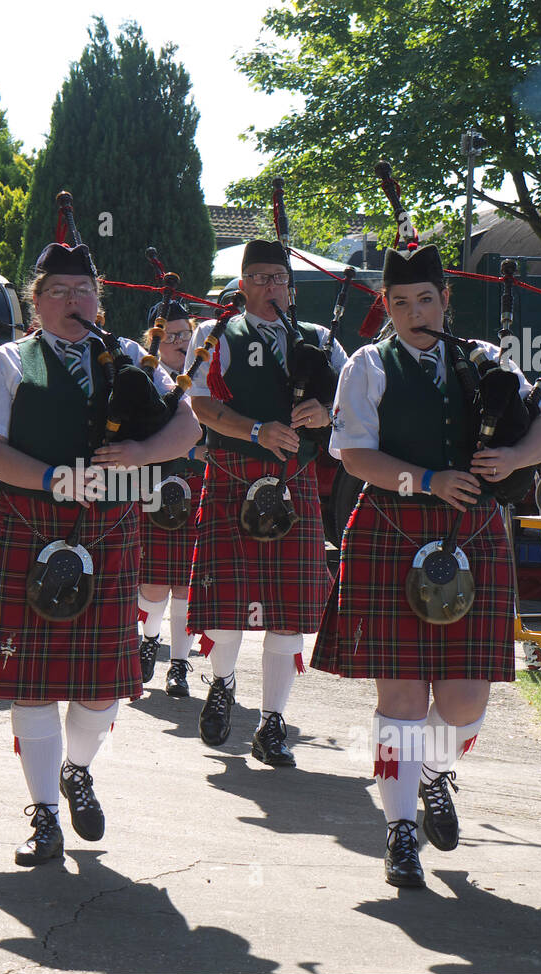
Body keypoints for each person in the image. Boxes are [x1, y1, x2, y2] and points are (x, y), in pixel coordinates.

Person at [0, 241, 199, 865]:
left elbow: (189, 425)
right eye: (56, 291)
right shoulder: (10, 360)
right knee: (31, 684)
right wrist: (55, 477)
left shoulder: (132, 357)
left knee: (98, 686)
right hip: (29, 524)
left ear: (99, 300)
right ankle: (44, 815)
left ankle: (78, 769)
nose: (71, 302)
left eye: (83, 291)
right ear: (35, 302)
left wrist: (145, 454)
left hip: (109, 529)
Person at [314, 243, 541, 889]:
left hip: (470, 531)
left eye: (425, 300)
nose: (414, 312)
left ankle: (433, 772)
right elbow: (354, 455)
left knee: (462, 701)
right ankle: (398, 832)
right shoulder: (367, 365)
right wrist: (425, 477)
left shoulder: (482, 357)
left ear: (445, 299)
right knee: (400, 694)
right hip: (392, 526)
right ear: (386, 306)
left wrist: (516, 461)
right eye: (400, 303)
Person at [183, 239, 343, 767]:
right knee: (228, 608)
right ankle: (223, 684)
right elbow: (200, 403)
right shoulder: (213, 334)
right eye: (260, 277)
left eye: (279, 278)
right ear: (243, 283)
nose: (271, 286)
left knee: (288, 615)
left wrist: (324, 416)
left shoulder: (320, 339)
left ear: (291, 287)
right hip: (233, 475)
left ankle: (272, 723)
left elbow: (351, 402)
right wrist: (255, 430)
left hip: (293, 485)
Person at [136, 301, 205, 697]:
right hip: (154, 482)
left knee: (185, 585)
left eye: (186, 334)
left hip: (196, 486)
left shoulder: (208, 375)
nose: (180, 342)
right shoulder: (147, 378)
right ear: (156, 342)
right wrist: (191, 451)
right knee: (153, 583)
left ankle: (178, 664)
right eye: (172, 336)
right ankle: (148, 639)